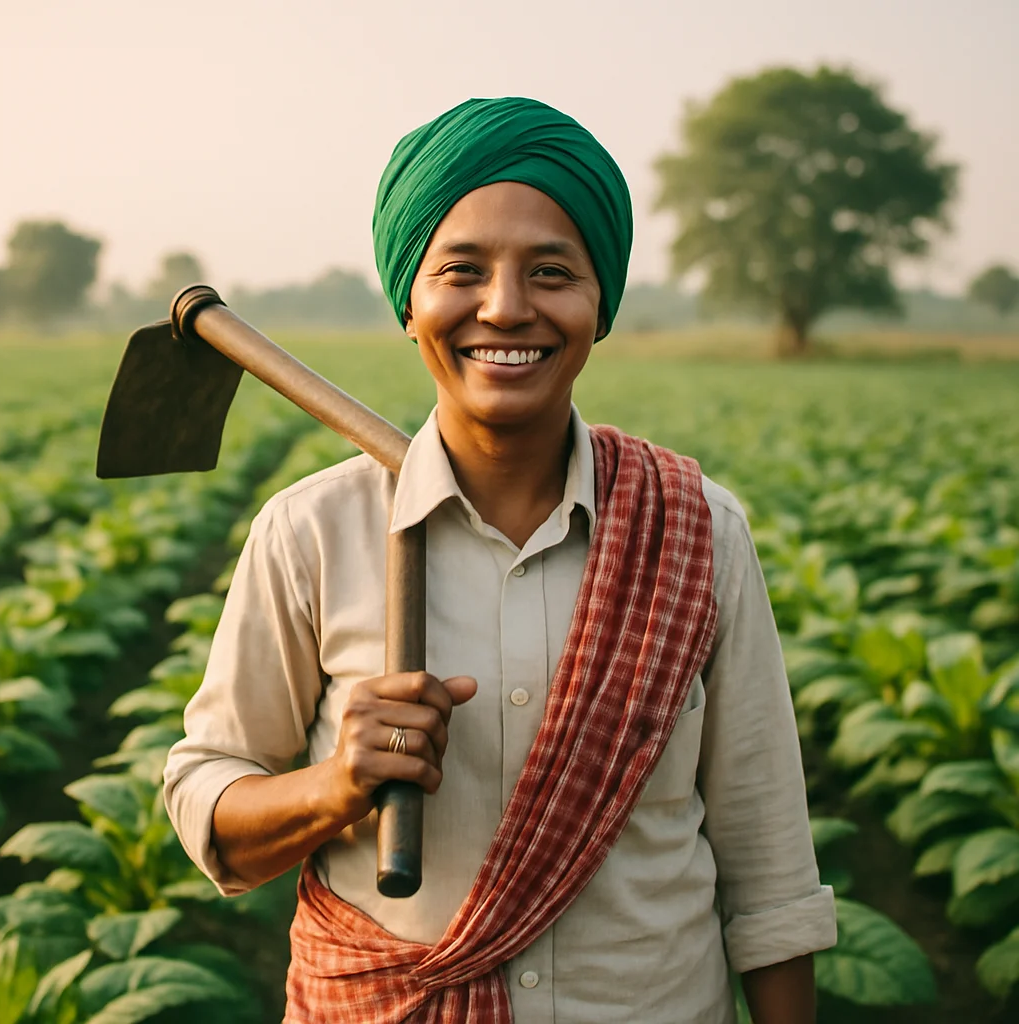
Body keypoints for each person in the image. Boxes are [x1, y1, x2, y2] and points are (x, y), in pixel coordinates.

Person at [163, 96, 836, 1024]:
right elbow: (209, 799)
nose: (506, 308)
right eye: (462, 271)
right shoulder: (310, 532)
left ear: (601, 306)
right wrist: (337, 786)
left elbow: (771, 875)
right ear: (411, 302)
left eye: (553, 270)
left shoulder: (697, 531)